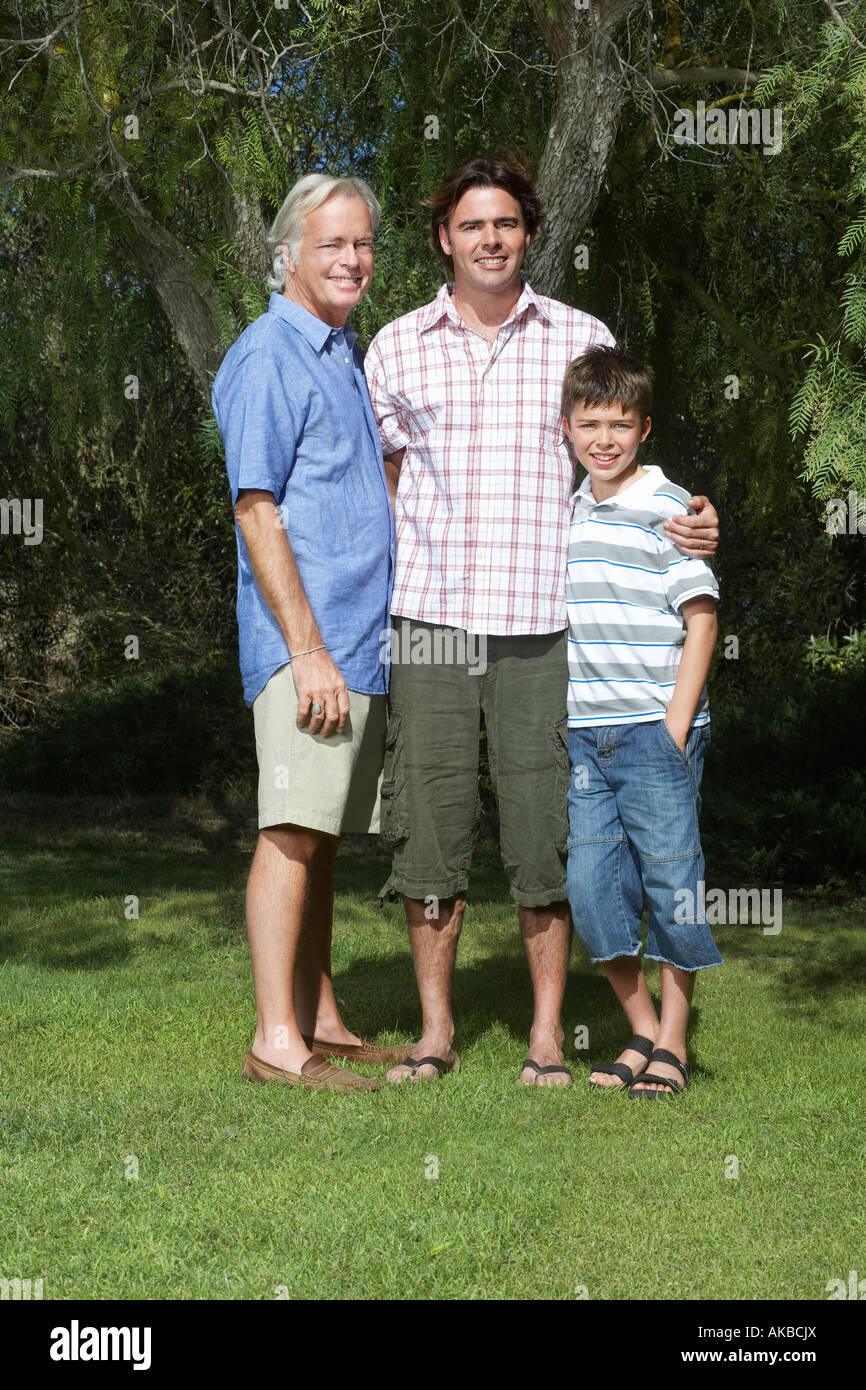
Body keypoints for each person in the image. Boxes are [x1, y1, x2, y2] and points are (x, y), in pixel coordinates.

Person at [364, 155, 720, 1086]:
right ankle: (437, 1034)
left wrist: (690, 522)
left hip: (542, 626)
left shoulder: (578, 336)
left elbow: (617, 466)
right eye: (473, 226)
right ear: (445, 238)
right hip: (432, 624)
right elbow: (386, 477)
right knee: (431, 835)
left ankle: (548, 1038)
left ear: (529, 234)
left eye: (508, 225)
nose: (491, 240)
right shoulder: (396, 346)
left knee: (541, 836)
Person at [211, 173, 409, 1093]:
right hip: (310, 649)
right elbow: (257, 512)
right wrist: (309, 649)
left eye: (364, 244)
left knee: (321, 833)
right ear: (287, 253)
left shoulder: (340, 351)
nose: (353, 260)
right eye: (333, 244)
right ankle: (274, 1043)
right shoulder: (269, 355)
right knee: (291, 830)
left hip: (355, 644)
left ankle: (321, 1020)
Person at [561, 345, 723, 1096]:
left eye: (618, 425)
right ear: (566, 428)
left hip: (655, 731)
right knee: (593, 892)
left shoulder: (669, 507)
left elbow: (703, 619)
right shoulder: (572, 507)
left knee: (670, 885)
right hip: (587, 738)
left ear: (644, 429)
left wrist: (674, 728)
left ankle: (675, 1045)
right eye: (589, 424)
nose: (603, 439)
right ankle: (642, 1029)